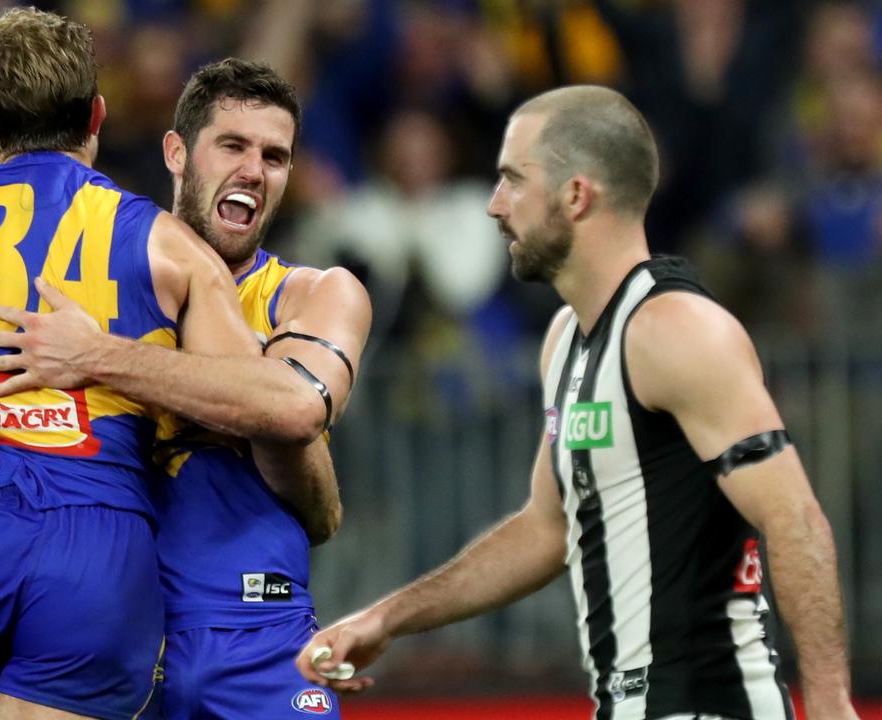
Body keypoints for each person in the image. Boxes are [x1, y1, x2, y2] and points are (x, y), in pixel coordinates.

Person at [295, 85, 861, 720]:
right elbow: (547, 526)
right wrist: (387, 618)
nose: (494, 204)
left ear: (575, 195)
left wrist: (834, 706)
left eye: (512, 179)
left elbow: (795, 519)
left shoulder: (675, 329)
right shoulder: (566, 338)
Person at [0, 58, 372, 719]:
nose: (255, 171)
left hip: (253, 634)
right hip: (111, 634)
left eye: (276, 156)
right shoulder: (88, 277)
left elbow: (294, 412)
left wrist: (102, 355)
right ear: (176, 153)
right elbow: (3, 454)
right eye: (232, 146)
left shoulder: (313, 293)